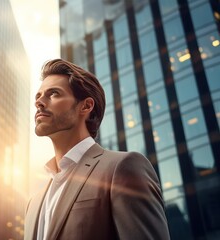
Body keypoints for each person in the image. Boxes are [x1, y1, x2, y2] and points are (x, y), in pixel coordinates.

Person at [24, 59, 170, 240]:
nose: (39, 103)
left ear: (86, 106)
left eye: (53, 93)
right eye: (38, 96)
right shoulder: (33, 203)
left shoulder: (123, 167)